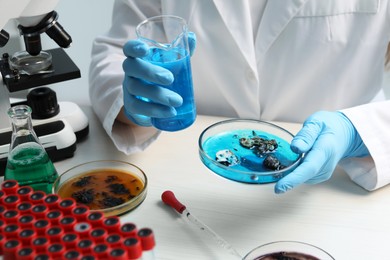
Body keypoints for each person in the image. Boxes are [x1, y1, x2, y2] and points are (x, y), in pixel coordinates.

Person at [89, 0, 390, 194]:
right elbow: (121, 46)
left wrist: (362, 130)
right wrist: (132, 104)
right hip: (190, 179)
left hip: (340, 183)